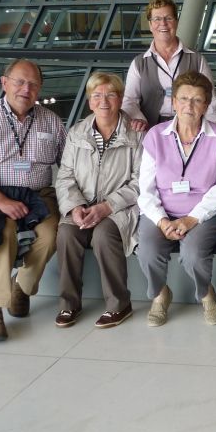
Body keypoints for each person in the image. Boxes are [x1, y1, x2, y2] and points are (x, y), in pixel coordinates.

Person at [0, 59, 66, 342]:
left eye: (33, 84)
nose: (25, 89)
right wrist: (1, 201)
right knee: (1, 233)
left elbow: (67, 166)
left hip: (37, 195)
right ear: (4, 83)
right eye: (19, 81)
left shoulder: (52, 121)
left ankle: (22, 286)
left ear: (40, 88)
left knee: (54, 232)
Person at [137, 71, 216, 327]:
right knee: (147, 249)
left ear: (206, 104)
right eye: (183, 99)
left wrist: (192, 219)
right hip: (162, 212)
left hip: (205, 212)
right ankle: (160, 295)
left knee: (192, 254)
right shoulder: (155, 136)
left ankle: (205, 294)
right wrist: (161, 221)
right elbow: (145, 189)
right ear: (173, 102)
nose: (189, 106)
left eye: (196, 100)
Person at [54, 72, 143, 329]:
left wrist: (107, 206)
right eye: (97, 96)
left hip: (119, 207)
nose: (104, 101)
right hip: (82, 205)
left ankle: (119, 305)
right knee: (66, 235)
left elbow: (140, 182)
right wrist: (75, 207)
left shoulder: (136, 135)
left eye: (111, 95)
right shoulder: (76, 133)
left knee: (104, 235)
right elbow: (65, 176)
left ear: (120, 99)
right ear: (89, 101)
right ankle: (69, 304)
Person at [122, 0, 216, 132]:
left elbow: (211, 100)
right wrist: (139, 119)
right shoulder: (139, 63)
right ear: (150, 25)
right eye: (157, 19)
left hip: (191, 128)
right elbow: (129, 100)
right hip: (150, 130)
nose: (163, 23)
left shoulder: (197, 60)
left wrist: (210, 131)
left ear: (176, 22)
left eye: (168, 18)